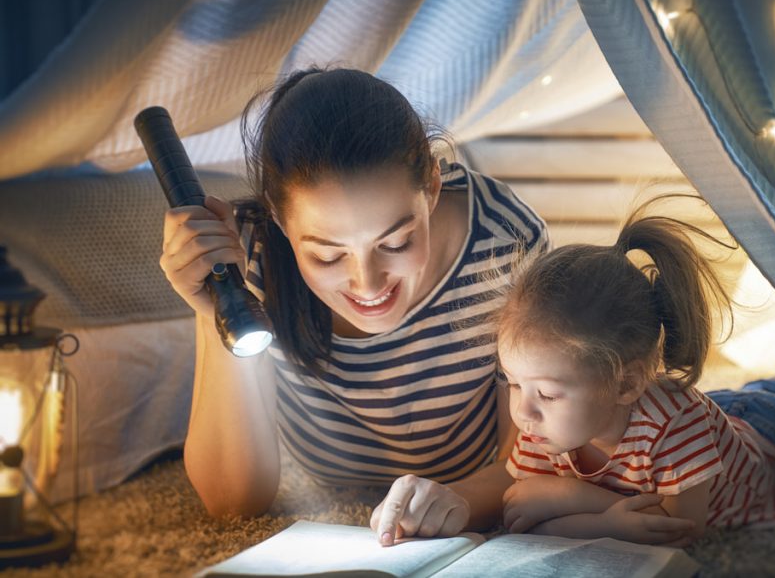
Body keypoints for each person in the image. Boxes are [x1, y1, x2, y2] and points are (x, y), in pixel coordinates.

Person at [159, 67, 548, 542]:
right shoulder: (246, 255)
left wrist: (462, 498)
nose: (367, 284)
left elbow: (533, 459)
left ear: (430, 186)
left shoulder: (504, 238)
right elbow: (233, 502)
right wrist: (217, 307)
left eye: (397, 241)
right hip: (328, 491)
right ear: (279, 218)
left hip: (464, 476)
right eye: (326, 255)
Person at [496, 197, 775, 546]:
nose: (523, 412)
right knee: (723, 414)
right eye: (513, 383)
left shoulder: (675, 423)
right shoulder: (541, 424)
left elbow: (680, 529)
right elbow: (523, 516)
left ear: (627, 383)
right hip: (718, 420)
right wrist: (606, 520)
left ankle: (769, 398)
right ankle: (761, 390)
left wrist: (573, 500)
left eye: (547, 393)